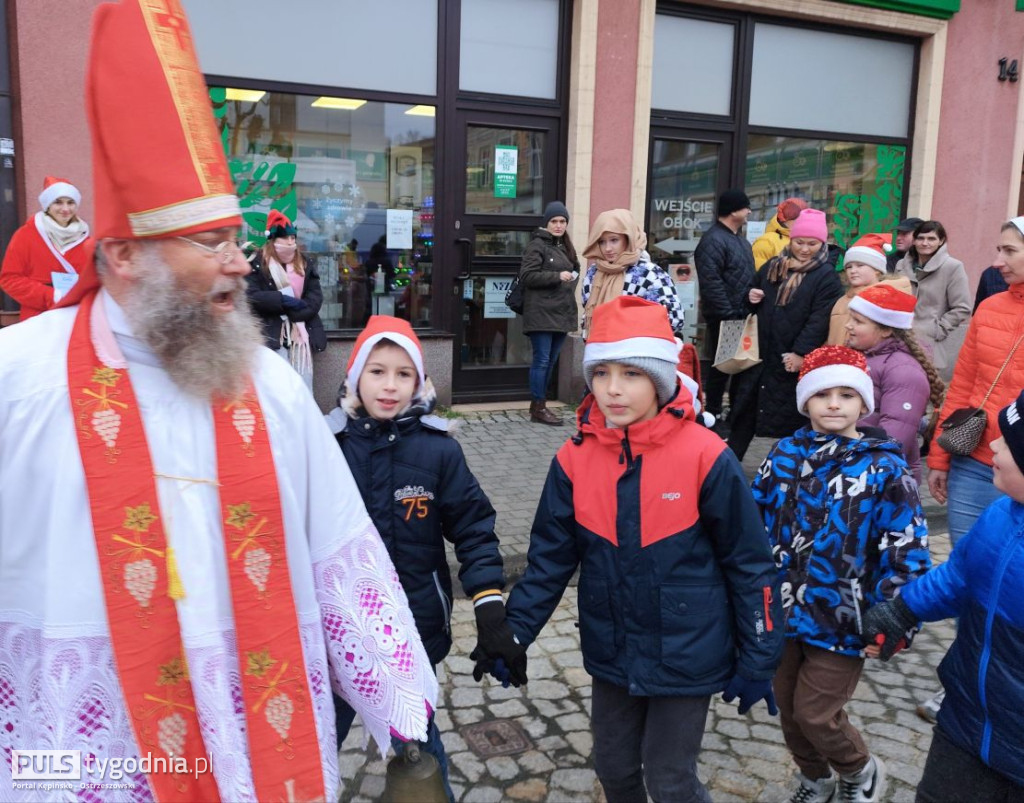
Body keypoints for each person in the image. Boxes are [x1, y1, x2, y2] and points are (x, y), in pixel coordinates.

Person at [0, 3, 437, 801]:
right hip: (90, 758)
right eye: (212, 244)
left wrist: (407, 734)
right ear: (126, 255)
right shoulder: (17, 378)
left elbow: (337, 547)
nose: (241, 265)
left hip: (250, 741)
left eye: (237, 238)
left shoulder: (266, 382)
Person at [475, 295, 784, 803]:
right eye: (601, 374)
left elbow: (750, 565)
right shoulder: (574, 459)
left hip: (689, 653)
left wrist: (760, 655)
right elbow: (551, 559)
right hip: (613, 649)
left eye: (631, 374)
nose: (612, 389)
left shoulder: (708, 456)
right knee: (615, 770)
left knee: (670, 780)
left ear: (660, 380)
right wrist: (515, 633)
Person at [325, 315, 505, 802]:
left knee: (418, 746)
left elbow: (473, 525)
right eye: (377, 371)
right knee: (316, 741)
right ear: (354, 376)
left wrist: (488, 598)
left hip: (407, 632)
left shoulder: (438, 452)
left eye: (403, 374)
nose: (389, 386)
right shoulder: (325, 449)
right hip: (333, 633)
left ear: (419, 381)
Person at [751, 345, 931, 803]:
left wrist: (898, 614)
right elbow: (752, 523)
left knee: (815, 713)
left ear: (864, 403)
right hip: (784, 611)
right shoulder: (784, 455)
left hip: (845, 618)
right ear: (805, 401)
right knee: (788, 712)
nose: (834, 403)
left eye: (846, 395)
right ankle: (815, 778)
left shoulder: (885, 467)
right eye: (823, 393)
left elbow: (906, 547)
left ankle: (859, 769)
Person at [864, 392, 1024, 802]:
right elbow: (958, 577)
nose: (992, 446)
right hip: (965, 722)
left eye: (1007, 440)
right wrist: (903, 609)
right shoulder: (1000, 515)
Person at [918, 216, 1024, 724]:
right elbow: (962, 385)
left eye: (1009, 251)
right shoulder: (991, 306)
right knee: (972, 577)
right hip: (975, 464)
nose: (998, 262)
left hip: (1021, 473)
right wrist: (940, 457)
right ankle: (964, 684)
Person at [727, 208, 844, 460]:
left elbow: (819, 319)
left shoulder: (826, 277)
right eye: (799, 242)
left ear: (822, 243)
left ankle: (787, 473)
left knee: (791, 420)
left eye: (812, 243)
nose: (804, 249)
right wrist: (751, 297)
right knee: (744, 412)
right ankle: (727, 466)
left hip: (790, 359)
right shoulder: (773, 265)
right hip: (758, 354)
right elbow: (748, 297)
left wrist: (801, 352)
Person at [845, 284, 945, 484]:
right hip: (850, 466)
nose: (848, 325)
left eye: (857, 321)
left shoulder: (903, 370)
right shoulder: (862, 356)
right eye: (850, 318)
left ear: (886, 330)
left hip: (877, 477)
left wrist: (864, 472)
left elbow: (894, 435)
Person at [245, 210, 326, 389]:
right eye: (285, 238)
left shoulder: (304, 263)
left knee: (302, 387)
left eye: (293, 237)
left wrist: (296, 313)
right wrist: (282, 300)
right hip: (272, 334)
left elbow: (315, 297)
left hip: (300, 334)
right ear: (273, 240)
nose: (291, 242)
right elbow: (250, 296)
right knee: (278, 387)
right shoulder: (257, 263)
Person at [693, 189, 756, 419]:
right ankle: (713, 414)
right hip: (727, 317)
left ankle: (733, 414)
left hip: (743, 316)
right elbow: (711, 283)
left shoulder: (740, 240)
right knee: (722, 367)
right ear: (733, 210)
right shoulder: (713, 240)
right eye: (745, 206)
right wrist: (727, 314)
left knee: (741, 366)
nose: (749, 211)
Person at [0, 175, 94, 321]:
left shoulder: (86, 239)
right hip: (38, 319)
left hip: (75, 318)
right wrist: (52, 296)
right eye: (58, 202)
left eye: (70, 203)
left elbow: (92, 280)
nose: (65, 209)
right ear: (47, 205)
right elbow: (9, 279)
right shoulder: (26, 235)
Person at [580, 208, 684, 338]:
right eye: (602, 242)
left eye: (614, 240)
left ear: (628, 239)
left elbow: (674, 318)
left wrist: (632, 330)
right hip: (598, 352)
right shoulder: (593, 273)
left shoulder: (650, 273)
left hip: (637, 353)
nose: (607, 248)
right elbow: (587, 314)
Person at [520, 200, 580, 426]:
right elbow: (527, 276)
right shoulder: (537, 245)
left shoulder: (565, 245)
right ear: (547, 223)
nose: (558, 225)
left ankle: (538, 405)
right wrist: (558, 276)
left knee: (551, 361)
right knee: (542, 361)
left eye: (562, 221)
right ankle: (539, 407)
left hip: (561, 313)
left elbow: (575, 268)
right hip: (541, 314)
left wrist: (570, 278)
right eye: (554, 221)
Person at [894, 220, 971, 382]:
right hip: (897, 339)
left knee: (924, 396)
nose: (925, 243)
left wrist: (938, 329)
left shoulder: (952, 267)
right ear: (914, 240)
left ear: (941, 241)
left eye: (931, 239)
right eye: (921, 238)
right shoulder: (901, 265)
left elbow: (962, 307)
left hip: (929, 344)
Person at [826, 233, 913, 345]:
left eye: (860, 265)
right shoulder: (842, 300)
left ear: (877, 269)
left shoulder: (887, 298)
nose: (852, 271)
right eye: (849, 267)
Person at [752, 196, 808, 271]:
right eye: (799, 220)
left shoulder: (804, 240)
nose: (803, 223)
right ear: (787, 219)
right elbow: (760, 274)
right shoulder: (766, 241)